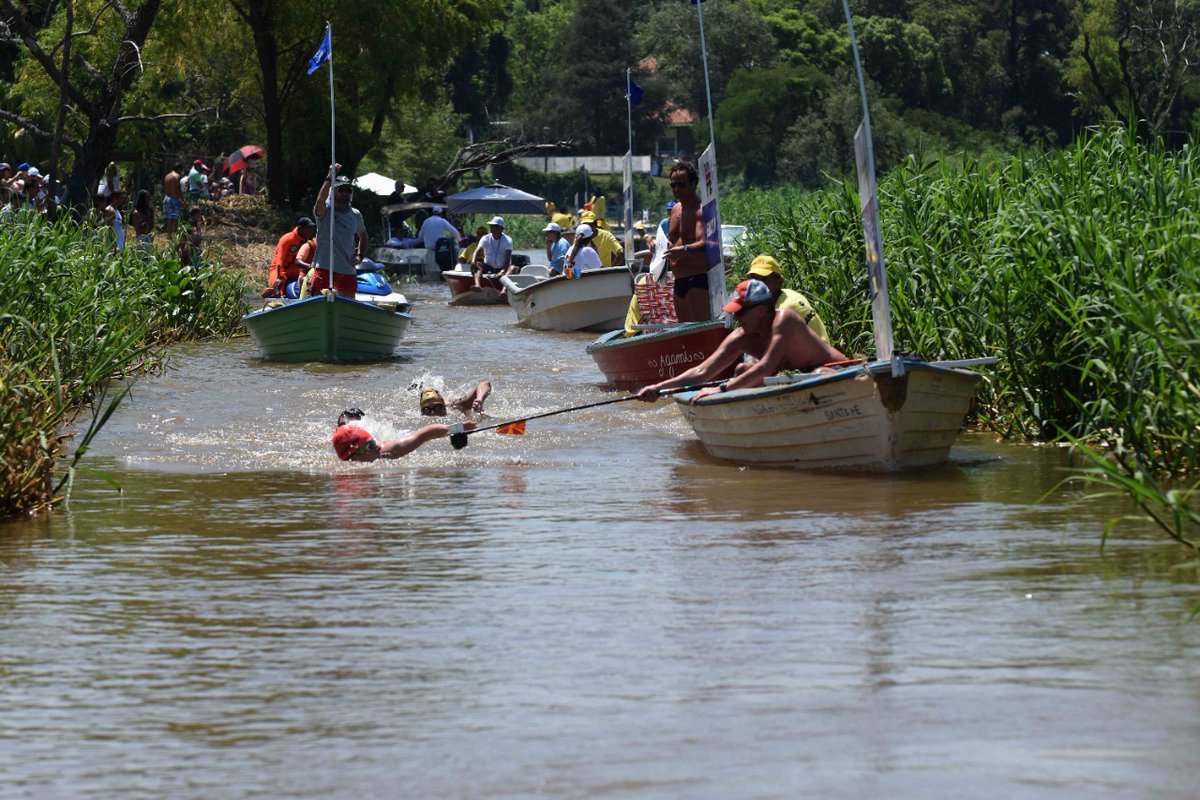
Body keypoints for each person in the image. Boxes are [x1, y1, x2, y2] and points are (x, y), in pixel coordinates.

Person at [636, 278, 847, 404]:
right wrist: (658, 387)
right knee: (742, 370)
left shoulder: (785, 319)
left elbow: (766, 367)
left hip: (834, 371)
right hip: (797, 381)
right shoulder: (740, 337)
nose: (737, 318)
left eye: (741, 312)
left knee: (819, 374)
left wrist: (721, 390)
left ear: (762, 310)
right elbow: (701, 372)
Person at [332, 409, 477, 462]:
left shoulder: (388, 450)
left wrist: (455, 428)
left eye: (373, 441)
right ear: (356, 456)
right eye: (370, 445)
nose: (377, 446)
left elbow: (425, 434)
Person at [744, 254, 829, 342]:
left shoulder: (784, 310)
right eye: (754, 280)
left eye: (764, 280)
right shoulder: (787, 293)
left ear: (779, 281)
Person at [665, 161, 711, 322]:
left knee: (702, 329)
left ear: (693, 183)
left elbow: (705, 243)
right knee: (685, 331)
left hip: (696, 279)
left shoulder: (700, 210)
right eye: (673, 185)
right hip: (679, 280)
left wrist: (684, 250)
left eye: (681, 184)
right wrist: (657, 245)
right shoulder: (675, 210)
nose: (676, 189)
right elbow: (673, 241)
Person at [311, 166, 368, 297]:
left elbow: (363, 236)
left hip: (347, 271)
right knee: (319, 301)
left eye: (348, 190)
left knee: (348, 304)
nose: (345, 193)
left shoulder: (355, 214)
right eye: (341, 190)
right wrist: (329, 176)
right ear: (333, 191)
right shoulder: (325, 211)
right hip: (325, 268)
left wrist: (360, 256)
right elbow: (320, 200)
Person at [264, 217, 318, 298]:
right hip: (280, 270)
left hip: (295, 272)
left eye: (311, 228)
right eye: (308, 228)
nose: (311, 231)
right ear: (300, 228)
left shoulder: (308, 242)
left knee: (304, 285)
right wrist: (278, 277)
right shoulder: (288, 238)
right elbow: (279, 259)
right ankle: (271, 294)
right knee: (277, 288)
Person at [472, 216, 513, 287]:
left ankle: (504, 290)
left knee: (512, 268)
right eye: (491, 226)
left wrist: (503, 270)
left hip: (502, 268)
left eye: (495, 226)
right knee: (478, 264)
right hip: (488, 267)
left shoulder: (507, 240)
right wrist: (473, 262)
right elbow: (476, 251)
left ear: (501, 229)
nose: (492, 228)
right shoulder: (485, 238)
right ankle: (477, 285)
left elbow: (507, 258)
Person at [418, 380, 492, 416]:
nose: (433, 413)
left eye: (437, 407)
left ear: (443, 405)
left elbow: (485, 383)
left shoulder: (456, 407)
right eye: (427, 409)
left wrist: (479, 399)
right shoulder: (421, 416)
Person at [130, 189, 155, 253]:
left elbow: (151, 225)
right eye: (147, 197)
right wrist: (147, 220)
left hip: (149, 237)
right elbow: (138, 228)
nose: (149, 199)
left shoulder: (149, 210)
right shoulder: (136, 213)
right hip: (140, 238)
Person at [162, 162, 184, 234]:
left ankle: (169, 237)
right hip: (174, 199)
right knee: (175, 220)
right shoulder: (177, 176)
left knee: (169, 221)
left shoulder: (167, 176)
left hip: (166, 198)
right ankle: (175, 237)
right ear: (179, 169)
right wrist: (182, 199)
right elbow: (178, 189)